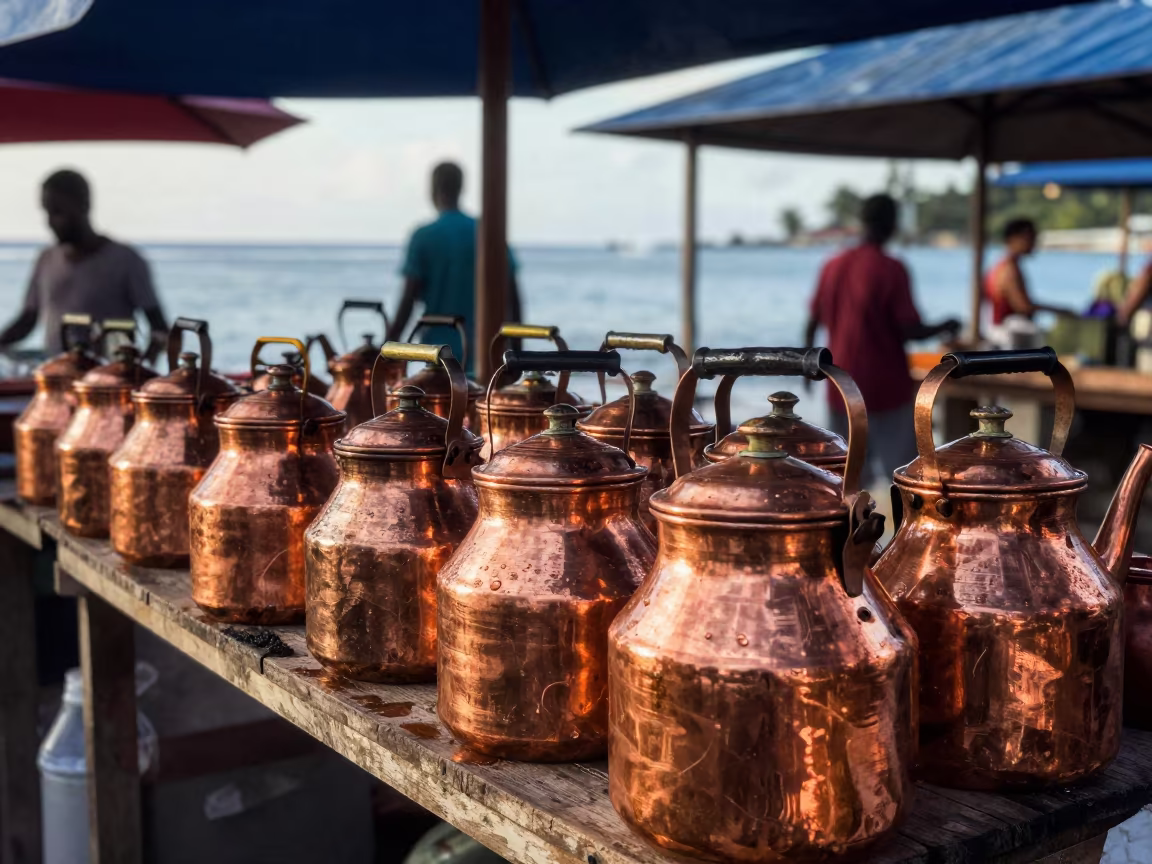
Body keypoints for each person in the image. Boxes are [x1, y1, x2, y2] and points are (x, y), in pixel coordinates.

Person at [805, 194, 960, 487]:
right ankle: (904, 532)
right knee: (905, 476)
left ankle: (853, 532)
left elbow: (812, 322)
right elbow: (909, 330)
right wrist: (946, 325)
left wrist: (807, 368)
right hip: (886, 386)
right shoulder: (890, 268)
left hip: (841, 384)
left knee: (846, 476)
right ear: (891, 224)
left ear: (862, 222)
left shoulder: (832, 265)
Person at [0, 169, 167, 359]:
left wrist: (142, 367)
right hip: (55, 376)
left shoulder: (127, 260)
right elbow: (27, 319)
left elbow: (159, 328)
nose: (49, 222)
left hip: (106, 381)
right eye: (47, 212)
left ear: (84, 205)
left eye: (58, 212)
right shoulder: (45, 259)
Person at [387, 162, 522, 373]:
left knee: (441, 405)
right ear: (461, 188)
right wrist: (517, 356)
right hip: (487, 354)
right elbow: (513, 297)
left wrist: (388, 348)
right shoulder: (488, 232)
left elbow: (408, 301)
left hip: (439, 355)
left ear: (432, 190)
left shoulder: (424, 236)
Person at [984, 218, 1073, 325]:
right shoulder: (1009, 270)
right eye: (1030, 238)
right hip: (1009, 333)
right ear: (1014, 239)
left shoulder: (999, 267)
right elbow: (1023, 306)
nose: (1034, 243)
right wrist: (1062, 311)